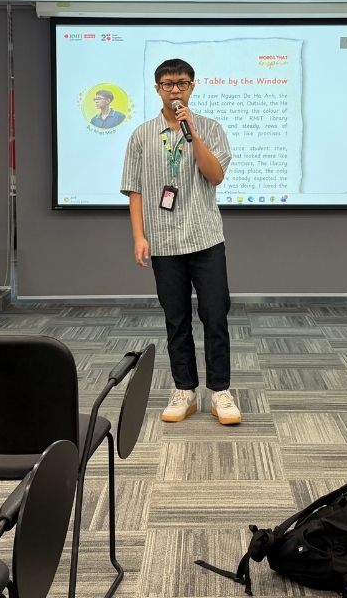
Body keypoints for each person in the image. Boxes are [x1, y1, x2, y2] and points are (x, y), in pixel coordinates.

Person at [121, 59, 239, 425]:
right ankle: (184, 390)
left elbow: (215, 175)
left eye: (183, 83)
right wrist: (139, 237)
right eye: (169, 84)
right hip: (164, 243)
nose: (176, 90)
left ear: (193, 87)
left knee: (215, 316)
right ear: (157, 88)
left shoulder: (210, 128)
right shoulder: (141, 135)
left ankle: (220, 390)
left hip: (205, 238)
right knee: (176, 319)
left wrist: (194, 134)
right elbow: (135, 191)